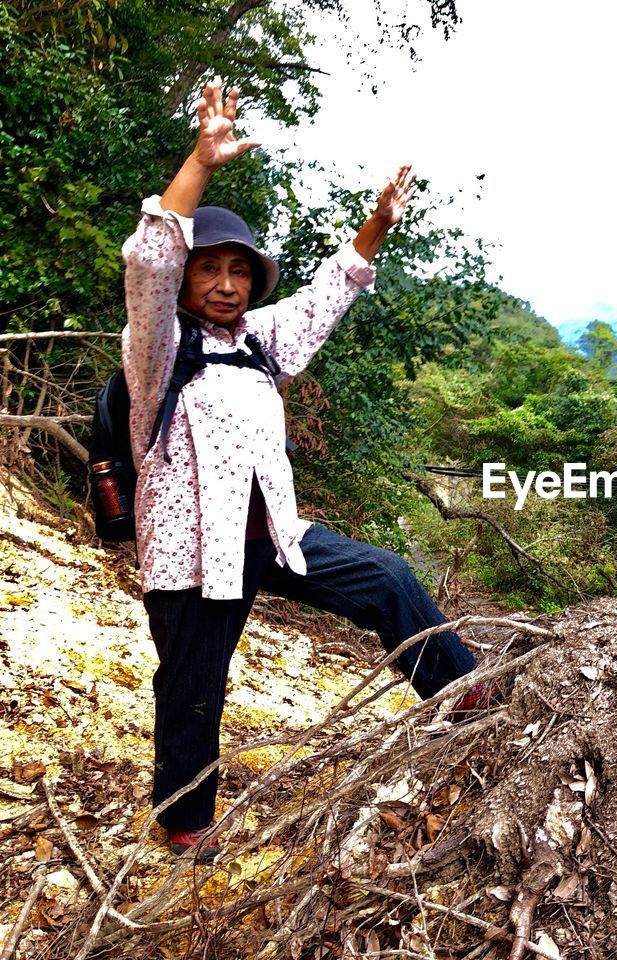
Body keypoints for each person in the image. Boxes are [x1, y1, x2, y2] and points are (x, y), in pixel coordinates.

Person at [122, 78, 480, 860]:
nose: (224, 284)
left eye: (239, 271)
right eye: (208, 269)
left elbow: (330, 292)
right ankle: (186, 823)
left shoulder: (259, 341)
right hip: (190, 555)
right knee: (191, 689)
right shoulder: (158, 350)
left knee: (387, 580)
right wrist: (200, 161)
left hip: (273, 536)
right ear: (186, 280)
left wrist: (378, 224)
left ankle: (467, 694)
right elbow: (148, 261)